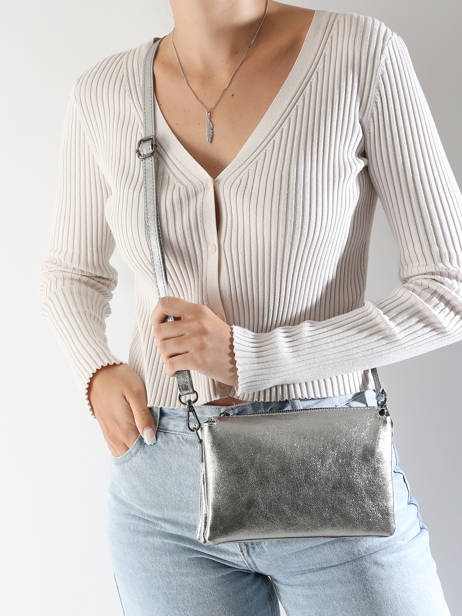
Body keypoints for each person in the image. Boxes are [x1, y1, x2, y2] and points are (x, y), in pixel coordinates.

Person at [40, 1, 461, 613]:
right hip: (163, 489)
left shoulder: (360, 54)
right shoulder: (102, 92)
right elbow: (70, 274)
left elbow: (449, 288)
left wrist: (254, 356)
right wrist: (97, 370)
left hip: (328, 470)